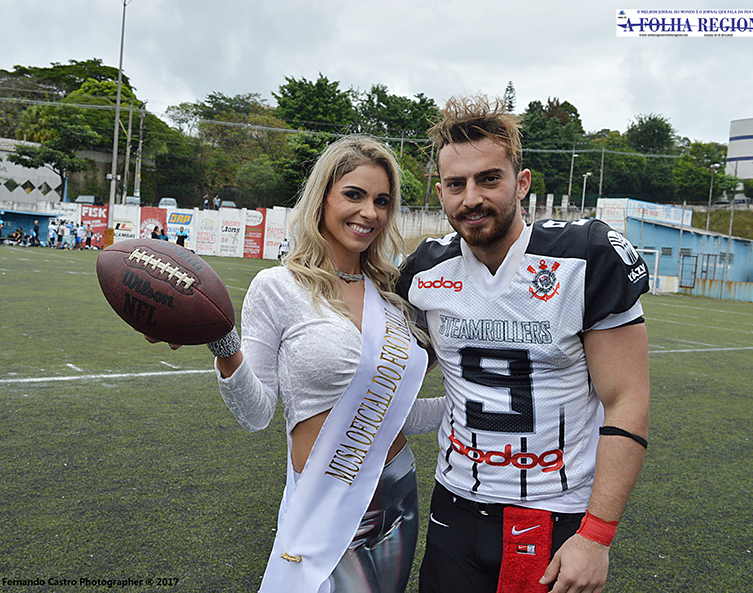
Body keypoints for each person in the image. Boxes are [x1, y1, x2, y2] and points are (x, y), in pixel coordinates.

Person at [150, 135, 442, 593]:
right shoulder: (278, 287)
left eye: (382, 201)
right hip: (325, 496)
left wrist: (476, 408)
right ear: (322, 198)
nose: (369, 212)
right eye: (354, 195)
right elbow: (255, 413)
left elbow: (393, 415)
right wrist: (221, 341)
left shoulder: (394, 296)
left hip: (395, 492)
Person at [397, 96, 651, 593]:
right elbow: (394, 370)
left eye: (489, 178)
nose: (472, 198)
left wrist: (596, 536)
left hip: (552, 512)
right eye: (456, 184)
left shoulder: (584, 258)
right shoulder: (425, 270)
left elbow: (627, 400)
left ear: (522, 182)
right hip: (455, 507)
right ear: (441, 192)